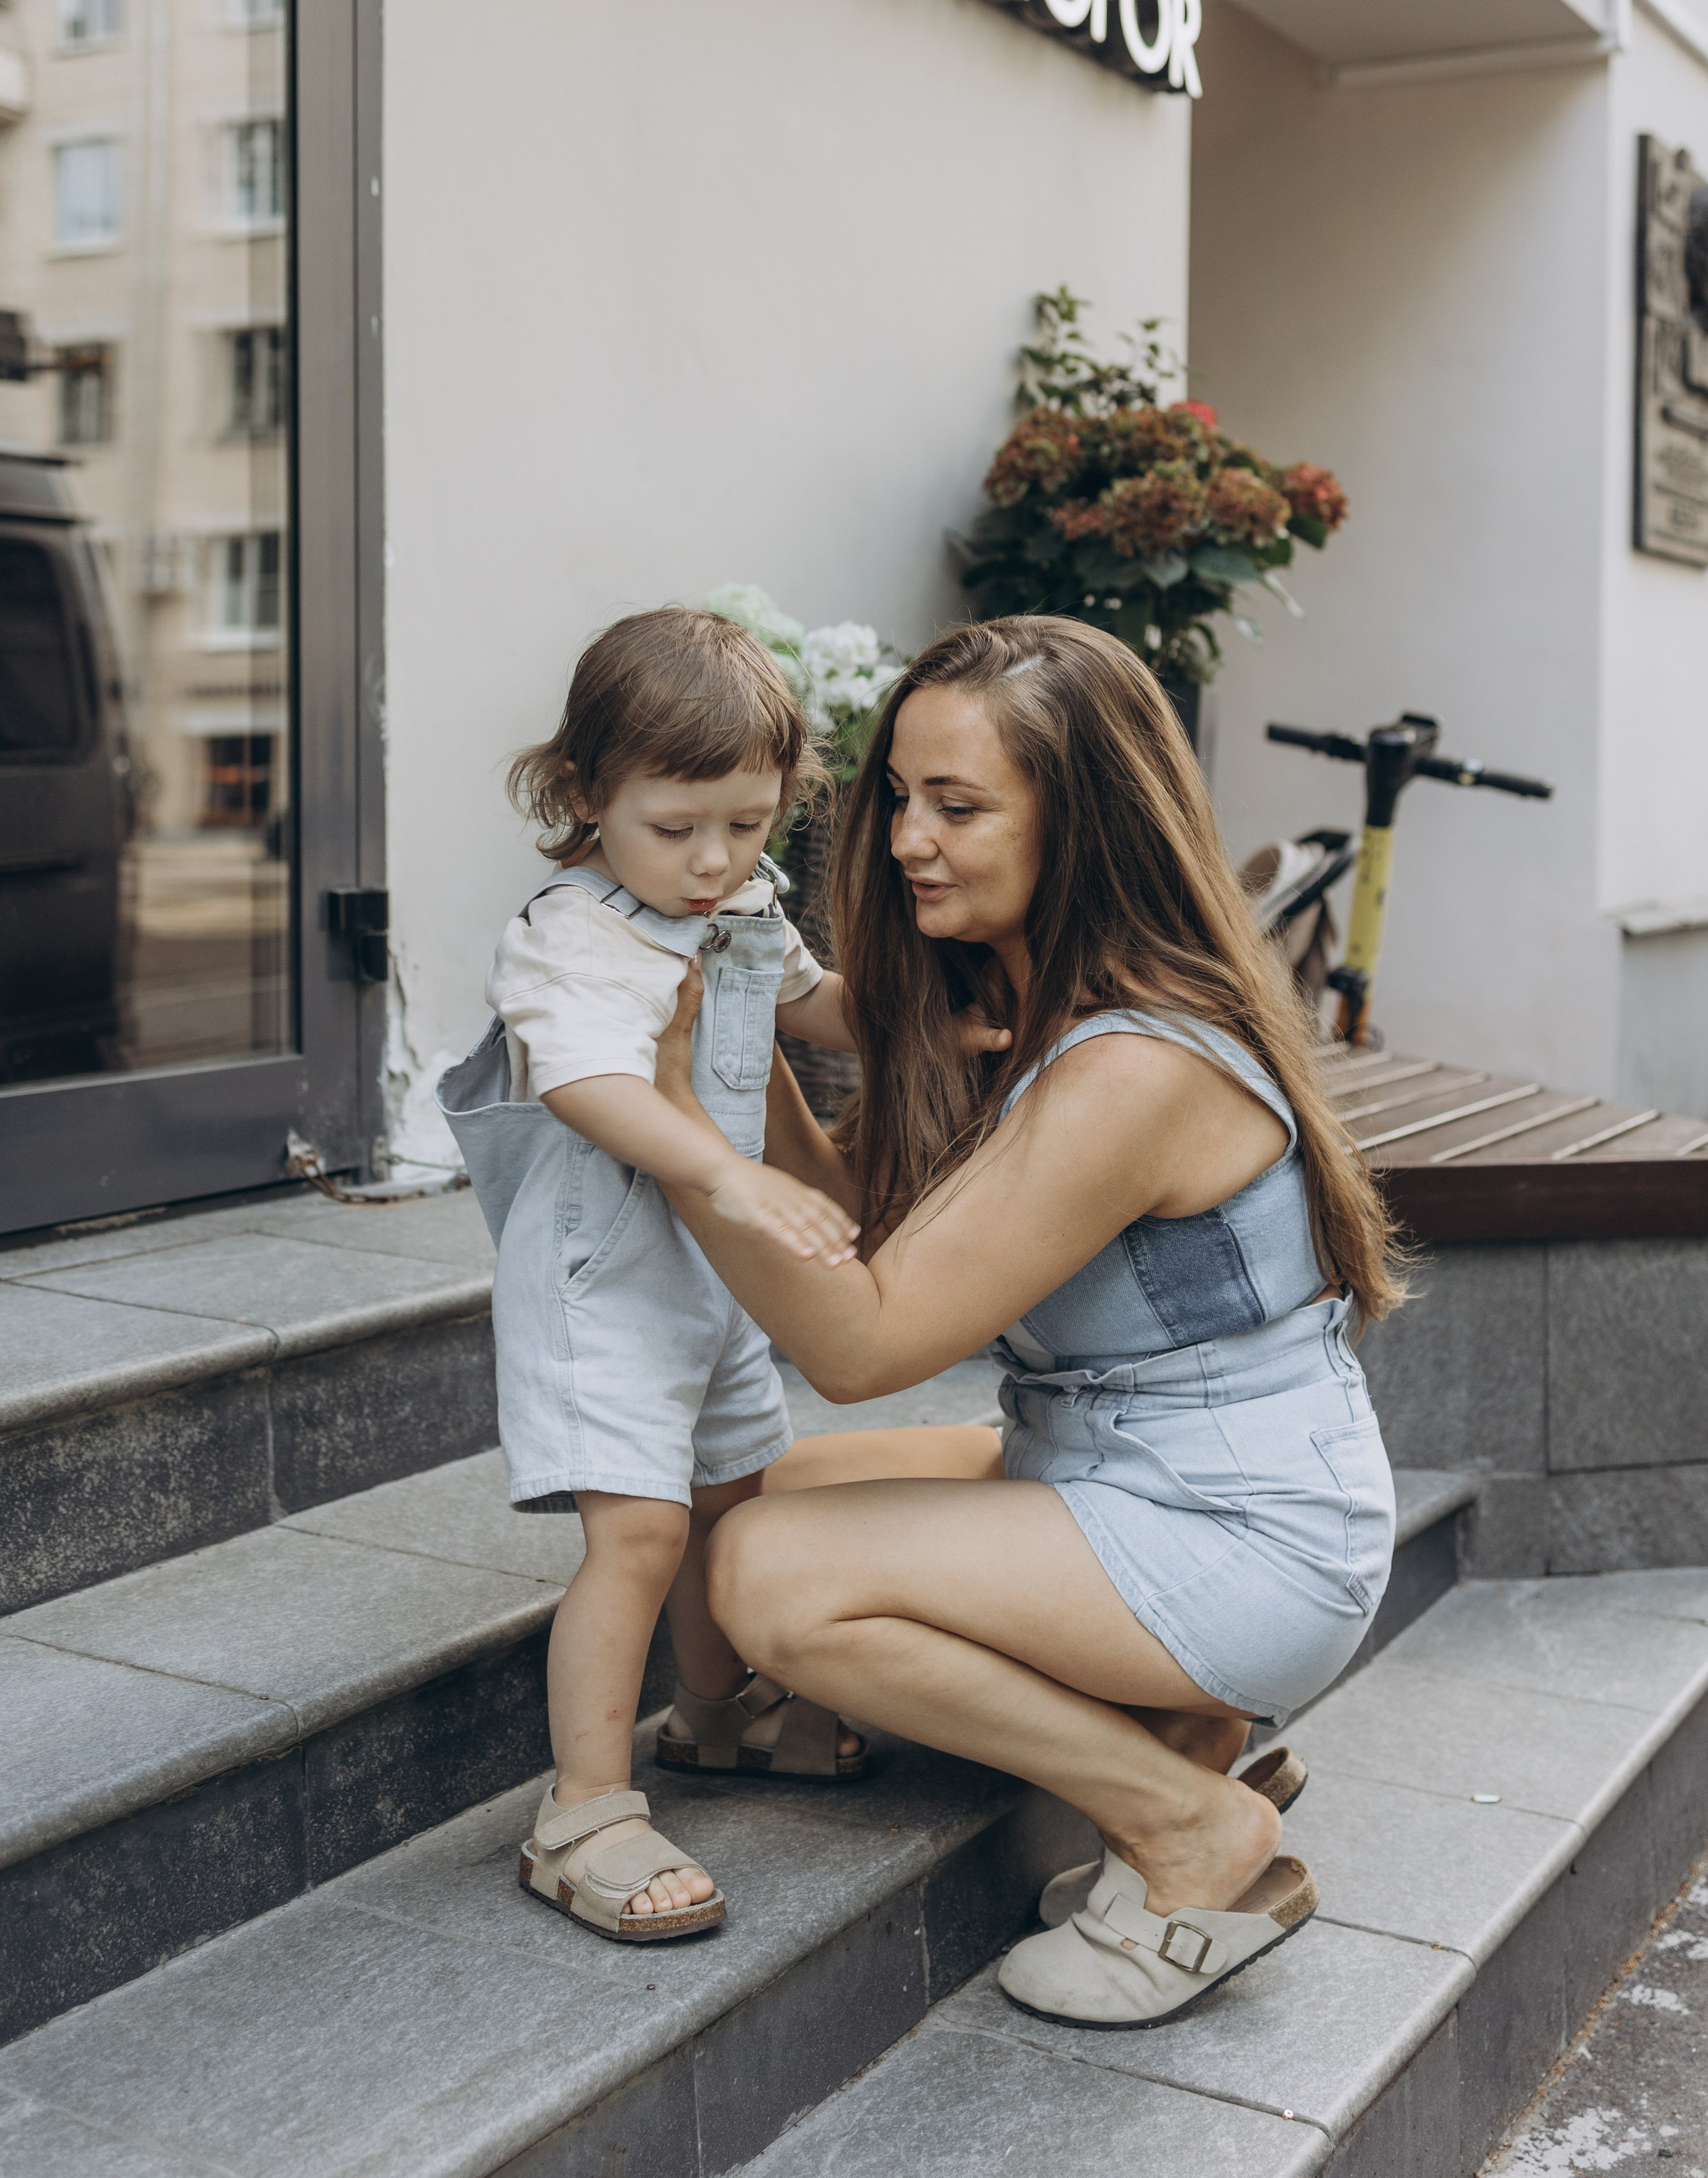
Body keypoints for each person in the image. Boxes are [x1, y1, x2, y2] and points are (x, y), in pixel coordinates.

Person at [652, 613, 1403, 2029]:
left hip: (1242, 1535)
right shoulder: (1021, 1006)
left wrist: (673, 1132)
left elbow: (858, 1342)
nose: (902, 842)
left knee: (769, 1574)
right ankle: (1167, 1724)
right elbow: (870, 1249)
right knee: (750, 1490)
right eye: (895, 798)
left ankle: (1184, 1822)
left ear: (1085, 824)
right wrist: (736, 1073)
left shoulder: (1128, 1065)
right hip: (1115, 1469)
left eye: (957, 806)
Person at [438, 609, 869, 1948]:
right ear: (584, 795)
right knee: (636, 1533)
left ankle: (717, 1714)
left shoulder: (742, 901)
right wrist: (731, 1176)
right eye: (675, 824)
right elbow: (584, 1081)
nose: (712, 860)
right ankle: (581, 1807)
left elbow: (809, 1005)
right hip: (599, 1282)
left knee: (728, 1499)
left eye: (746, 823)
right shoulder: (569, 931)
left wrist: (948, 1003)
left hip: (708, 1279)